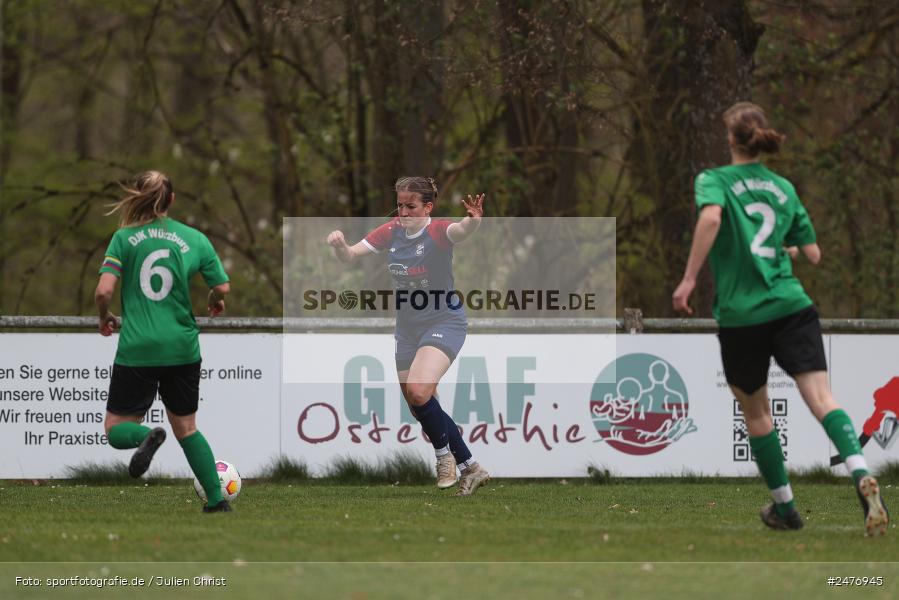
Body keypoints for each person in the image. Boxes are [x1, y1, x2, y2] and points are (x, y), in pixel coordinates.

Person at [672, 102, 889, 535]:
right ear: (762, 138)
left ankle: (786, 509)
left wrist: (690, 278)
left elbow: (712, 217)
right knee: (823, 399)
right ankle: (860, 470)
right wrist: (785, 250)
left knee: (757, 414)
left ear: (731, 140)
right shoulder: (784, 188)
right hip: (792, 306)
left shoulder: (714, 180)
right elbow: (812, 253)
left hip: (742, 316)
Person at [327, 177, 490, 496]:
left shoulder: (437, 231)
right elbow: (351, 255)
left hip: (444, 319)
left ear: (427, 207)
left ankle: (444, 457)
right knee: (420, 404)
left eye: (410, 206)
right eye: (400, 205)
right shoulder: (392, 231)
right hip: (408, 327)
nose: (403, 211)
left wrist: (473, 222)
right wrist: (340, 247)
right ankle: (471, 467)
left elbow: (460, 231)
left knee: (418, 391)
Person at [95, 170, 233, 513]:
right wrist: (215, 299)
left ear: (137, 198)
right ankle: (217, 501)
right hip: (182, 347)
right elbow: (224, 287)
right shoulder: (194, 238)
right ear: (171, 200)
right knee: (187, 428)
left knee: (115, 428)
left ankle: (144, 436)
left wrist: (104, 315)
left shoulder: (123, 238)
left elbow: (103, 290)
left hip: (138, 347)